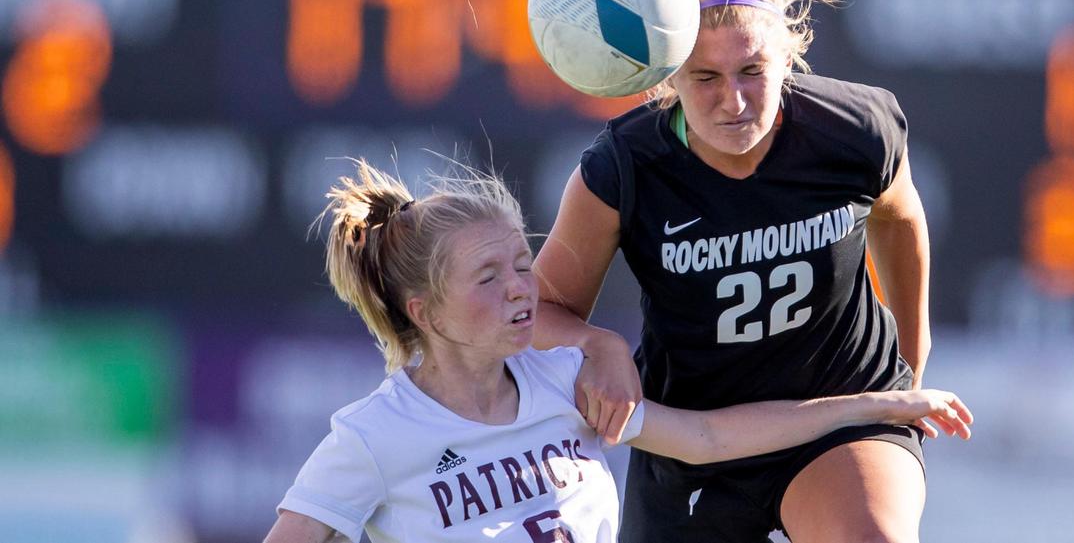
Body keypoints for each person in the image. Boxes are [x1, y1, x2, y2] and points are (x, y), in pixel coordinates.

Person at [483, 0, 946, 543]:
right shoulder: (624, 168)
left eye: (753, 69)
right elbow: (539, 312)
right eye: (705, 78)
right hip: (695, 439)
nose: (734, 101)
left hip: (843, 415)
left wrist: (909, 368)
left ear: (788, 56)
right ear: (667, 78)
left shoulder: (856, 129)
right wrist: (601, 346)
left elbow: (901, 219)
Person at [262, 160, 971, 543]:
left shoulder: (566, 378)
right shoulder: (372, 436)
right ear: (424, 311)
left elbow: (709, 433)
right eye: (489, 276)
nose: (522, 288)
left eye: (520, 262)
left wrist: (878, 404)